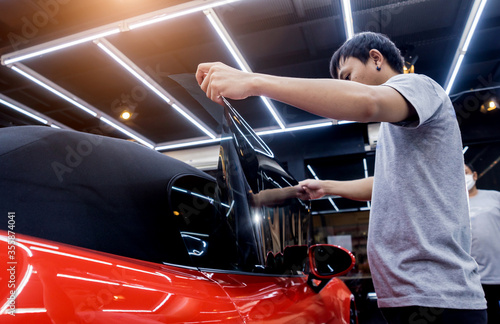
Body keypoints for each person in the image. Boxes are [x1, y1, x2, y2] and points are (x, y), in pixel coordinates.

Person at [196, 31, 487, 323]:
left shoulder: (418, 85)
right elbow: (385, 183)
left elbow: (368, 103)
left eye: (347, 76)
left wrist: (253, 81)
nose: (345, 86)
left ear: (375, 58)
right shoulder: (395, 125)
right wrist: (327, 187)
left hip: (437, 298)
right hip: (415, 295)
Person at [465, 163, 500, 324]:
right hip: (475, 278)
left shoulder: (494, 197)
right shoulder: (453, 204)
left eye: (465, 172)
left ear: (475, 175)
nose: (462, 177)